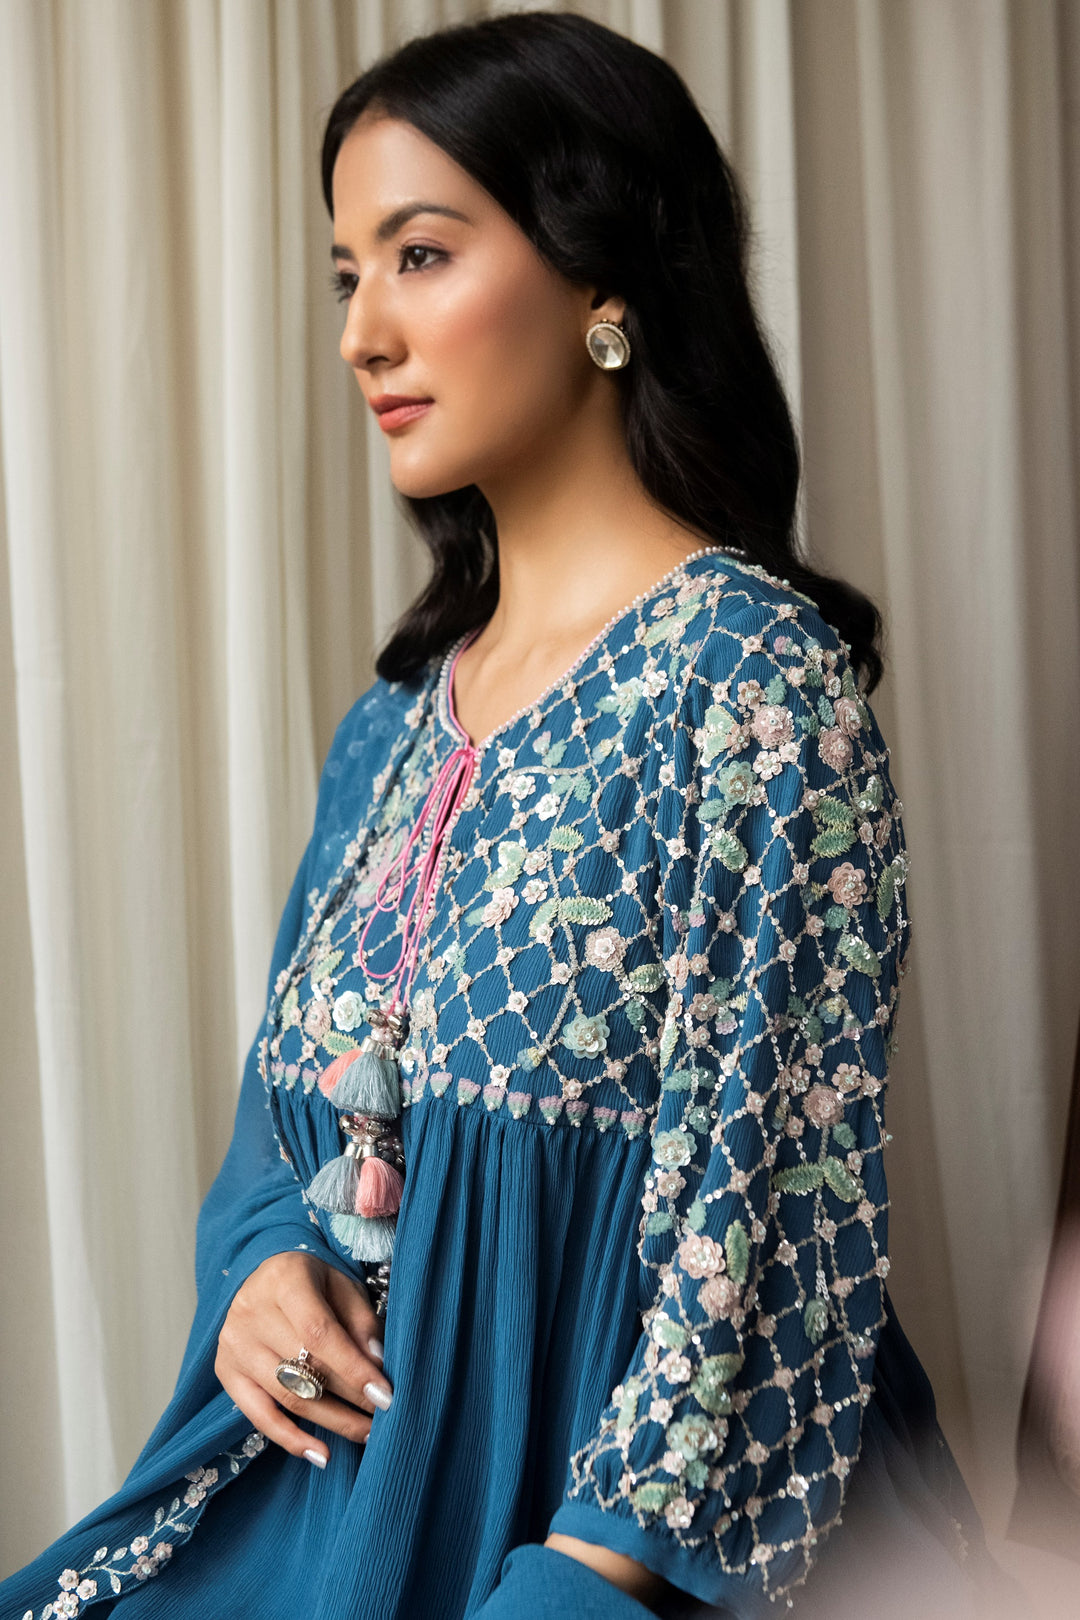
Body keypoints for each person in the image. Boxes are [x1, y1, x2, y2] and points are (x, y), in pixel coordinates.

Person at [2, 11, 1013, 1619]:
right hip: (322, 1515)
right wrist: (262, 1269)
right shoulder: (399, 725)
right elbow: (283, 1122)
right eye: (348, 276)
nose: (362, 334)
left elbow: (767, 1247)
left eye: (420, 255)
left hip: (591, 1557)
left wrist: (578, 1589)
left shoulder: (748, 686)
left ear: (602, 281)